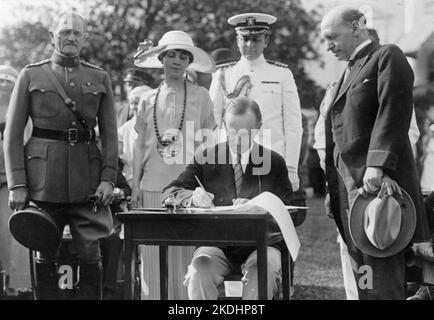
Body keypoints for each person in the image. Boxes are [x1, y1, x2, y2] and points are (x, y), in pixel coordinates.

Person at [320, 5, 433, 299]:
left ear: (357, 27)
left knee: (382, 276)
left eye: (332, 36)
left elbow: (393, 111)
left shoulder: (387, 56)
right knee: (364, 278)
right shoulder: (348, 71)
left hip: (379, 189)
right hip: (350, 189)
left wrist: (377, 165)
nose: (328, 45)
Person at [4, 11, 118, 300]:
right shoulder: (32, 75)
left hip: (87, 183)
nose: (71, 37)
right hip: (43, 181)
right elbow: (13, 135)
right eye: (65, 31)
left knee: (91, 252)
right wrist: (18, 184)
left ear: (85, 39)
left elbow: (110, 135)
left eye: (77, 33)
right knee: (45, 251)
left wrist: (108, 179)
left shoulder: (99, 77)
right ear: (52, 37)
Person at [162, 97, 298, 300]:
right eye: (232, 131)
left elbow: (291, 214)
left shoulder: (274, 162)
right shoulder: (207, 157)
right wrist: (192, 196)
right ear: (224, 126)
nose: (237, 139)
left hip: (263, 244)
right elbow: (170, 191)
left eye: (245, 133)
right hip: (217, 244)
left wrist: (258, 207)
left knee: (263, 270)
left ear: (259, 128)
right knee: (199, 270)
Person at [131, 30, 216, 299]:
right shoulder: (146, 99)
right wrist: (135, 186)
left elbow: (209, 144)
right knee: (152, 258)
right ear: (161, 58)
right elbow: (138, 146)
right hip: (152, 186)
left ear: (189, 62)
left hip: (187, 189)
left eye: (182, 56)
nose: (176, 61)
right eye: (170, 55)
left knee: (186, 261)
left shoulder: (201, 95)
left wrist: (206, 185)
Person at [209, 13, 303, 192]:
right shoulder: (223, 74)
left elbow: (293, 125)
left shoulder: (282, 74)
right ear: (237, 40)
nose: (250, 44)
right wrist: (214, 162)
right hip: (232, 161)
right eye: (244, 38)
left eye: (256, 39)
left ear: (266, 40)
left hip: (270, 159)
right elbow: (212, 122)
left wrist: (290, 167)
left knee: (269, 216)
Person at [0, 65, 31, 297]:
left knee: (13, 240)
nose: (3, 84)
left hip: (11, 185)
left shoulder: (23, 113)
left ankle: (15, 289)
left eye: (8, 81)